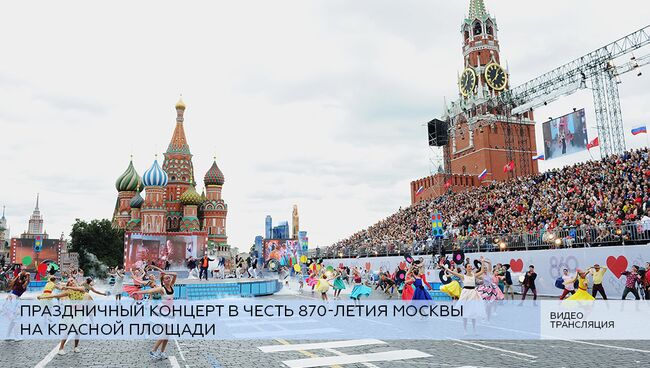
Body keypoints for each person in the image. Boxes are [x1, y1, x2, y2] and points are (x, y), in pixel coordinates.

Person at [132, 266, 177, 360]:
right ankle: (153, 350)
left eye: (169, 278)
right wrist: (138, 292)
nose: (168, 279)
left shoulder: (171, 286)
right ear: (163, 281)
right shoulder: (162, 289)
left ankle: (161, 352)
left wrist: (164, 272)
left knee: (167, 335)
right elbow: (150, 290)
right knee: (165, 334)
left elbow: (175, 274)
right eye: (166, 278)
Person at [444, 258, 486, 334]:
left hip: (473, 293)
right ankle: (465, 329)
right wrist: (445, 267)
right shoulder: (463, 276)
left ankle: (474, 329)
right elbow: (452, 273)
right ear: (466, 268)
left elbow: (482, 271)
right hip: (466, 293)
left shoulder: (474, 275)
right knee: (465, 312)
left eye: (471, 266)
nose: (470, 267)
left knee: (473, 312)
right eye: (469, 266)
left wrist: (482, 262)